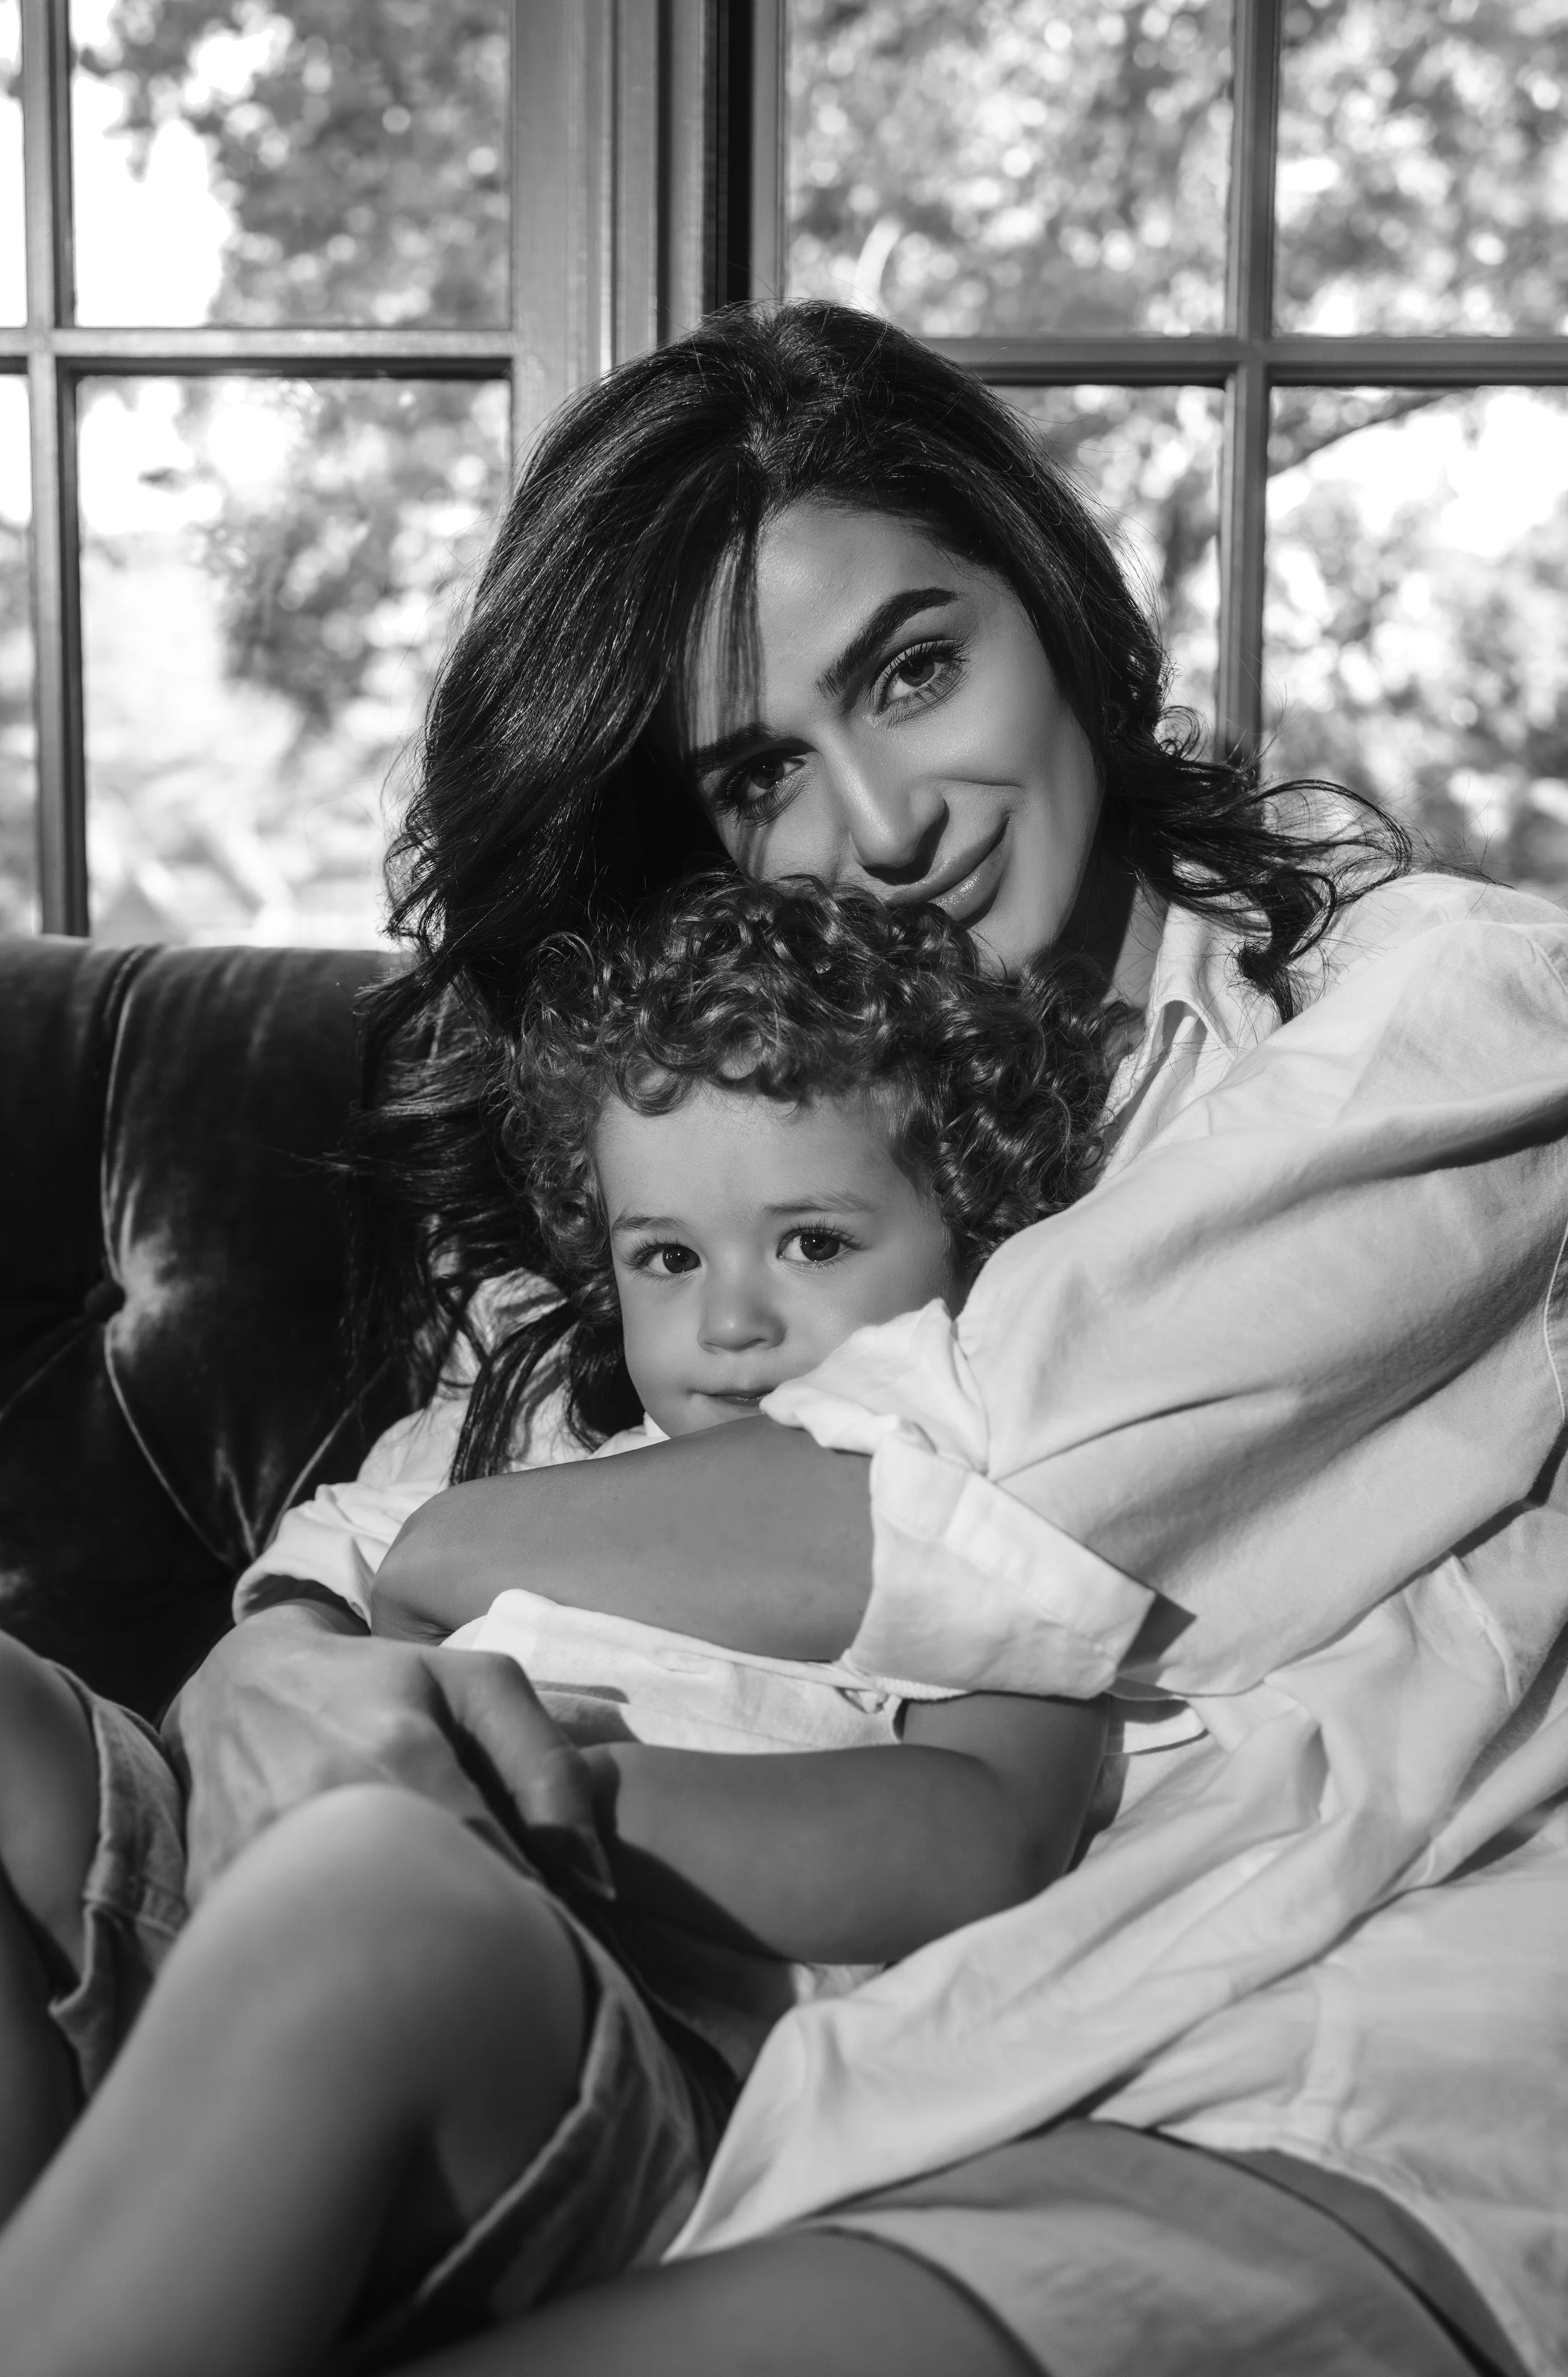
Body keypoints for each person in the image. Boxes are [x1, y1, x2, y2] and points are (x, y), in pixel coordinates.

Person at [61, 302, 1568, 2374]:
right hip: (611, 1989)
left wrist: (369, 1600)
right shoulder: (732, 1102)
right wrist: (290, 1656)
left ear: (1059, 602)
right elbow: (469, 1483)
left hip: (1215, 2074)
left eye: (916, 667)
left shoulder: (1444, 1017)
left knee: (363, 1918)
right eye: (766, 770)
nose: (882, 823)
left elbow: (946, 1492)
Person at [0, 877, 1112, 2377]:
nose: (728, 1321)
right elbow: (311, 1591)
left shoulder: (965, 1485)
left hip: (588, 2016)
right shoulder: (533, 1458)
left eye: (811, 1243)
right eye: (669, 1256)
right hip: (240, 1876)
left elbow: (984, 1828)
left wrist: (565, 1801)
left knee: (367, 1884)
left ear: (972, 1235)